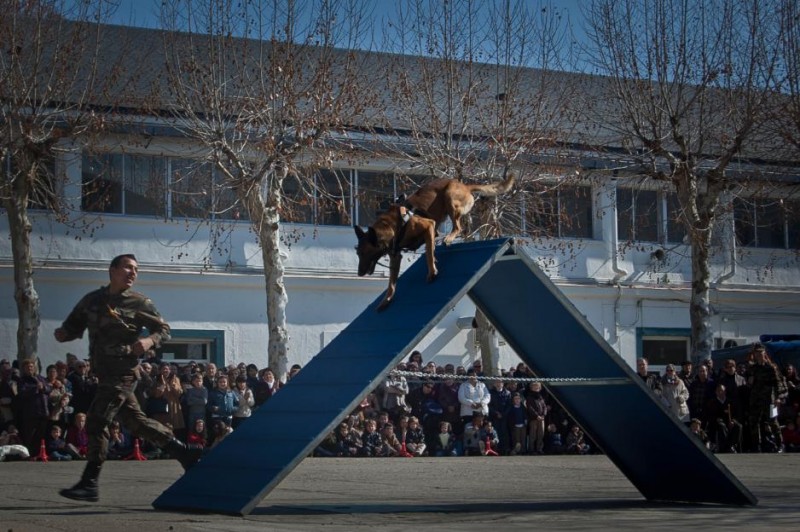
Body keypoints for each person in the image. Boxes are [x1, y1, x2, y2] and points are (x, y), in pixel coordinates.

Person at [54, 254, 198, 502]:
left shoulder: (139, 302)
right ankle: (183, 451)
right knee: (136, 423)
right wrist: (62, 334)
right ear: (112, 270)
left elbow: (163, 330)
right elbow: (73, 326)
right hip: (103, 372)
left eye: (136, 270)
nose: (133, 273)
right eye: (128, 268)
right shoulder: (93, 300)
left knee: (97, 422)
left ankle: (89, 482)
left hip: (124, 372)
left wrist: (148, 340)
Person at [746, 344, 788, 453]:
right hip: (756, 399)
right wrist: (750, 381)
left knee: (773, 421)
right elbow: (748, 382)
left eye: (761, 352)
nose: (759, 355)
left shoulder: (771, 367)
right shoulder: (753, 368)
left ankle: (780, 444)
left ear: (764, 353)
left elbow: (779, 383)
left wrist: (779, 398)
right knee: (754, 421)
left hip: (770, 399)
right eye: (757, 353)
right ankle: (757, 446)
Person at [525, 382, 548, 455]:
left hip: (542, 419)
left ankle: (539, 449)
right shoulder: (529, 397)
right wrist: (537, 416)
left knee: (541, 434)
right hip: (534, 419)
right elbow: (530, 408)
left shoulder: (540, 397)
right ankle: (531, 449)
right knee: (533, 435)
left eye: (538, 387)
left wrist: (543, 415)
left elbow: (544, 407)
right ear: (531, 388)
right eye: (535, 387)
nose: (536, 388)